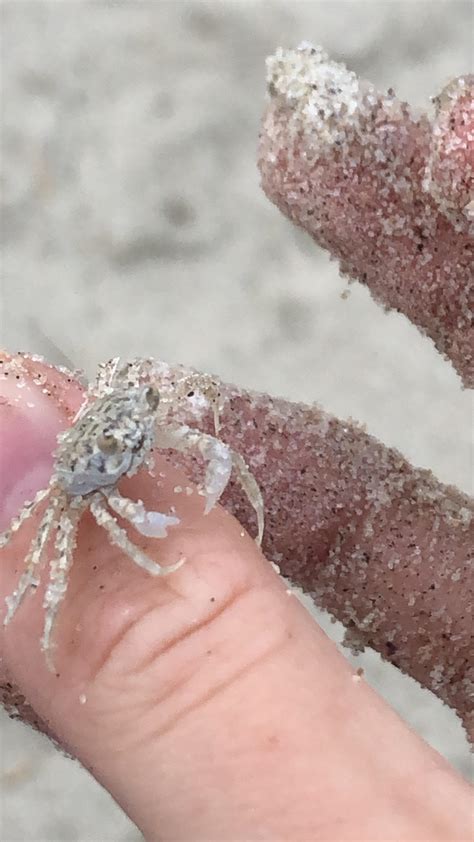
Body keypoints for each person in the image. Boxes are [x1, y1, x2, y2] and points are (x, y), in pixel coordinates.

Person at [0, 353, 471, 841]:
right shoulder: (63, 496)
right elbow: (87, 546)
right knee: (51, 580)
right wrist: (152, 564)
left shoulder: (137, 413)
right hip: (81, 488)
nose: (136, 445)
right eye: (119, 444)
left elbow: (208, 437)